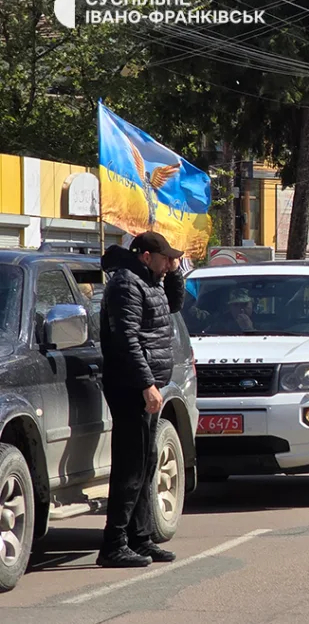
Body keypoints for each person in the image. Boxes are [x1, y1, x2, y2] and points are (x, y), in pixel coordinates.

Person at [98, 231, 184, 568]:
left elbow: (173, 305)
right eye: (164, 259)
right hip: (130, 386)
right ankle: (114, 543)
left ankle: (140, 539)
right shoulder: (126, 284)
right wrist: (147, 383)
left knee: (146, 464)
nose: (167, 265)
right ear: (146, 256)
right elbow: (126, 339)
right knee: (130, 468)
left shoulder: (149, 281)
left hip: (147, 387)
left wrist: (175, 271)